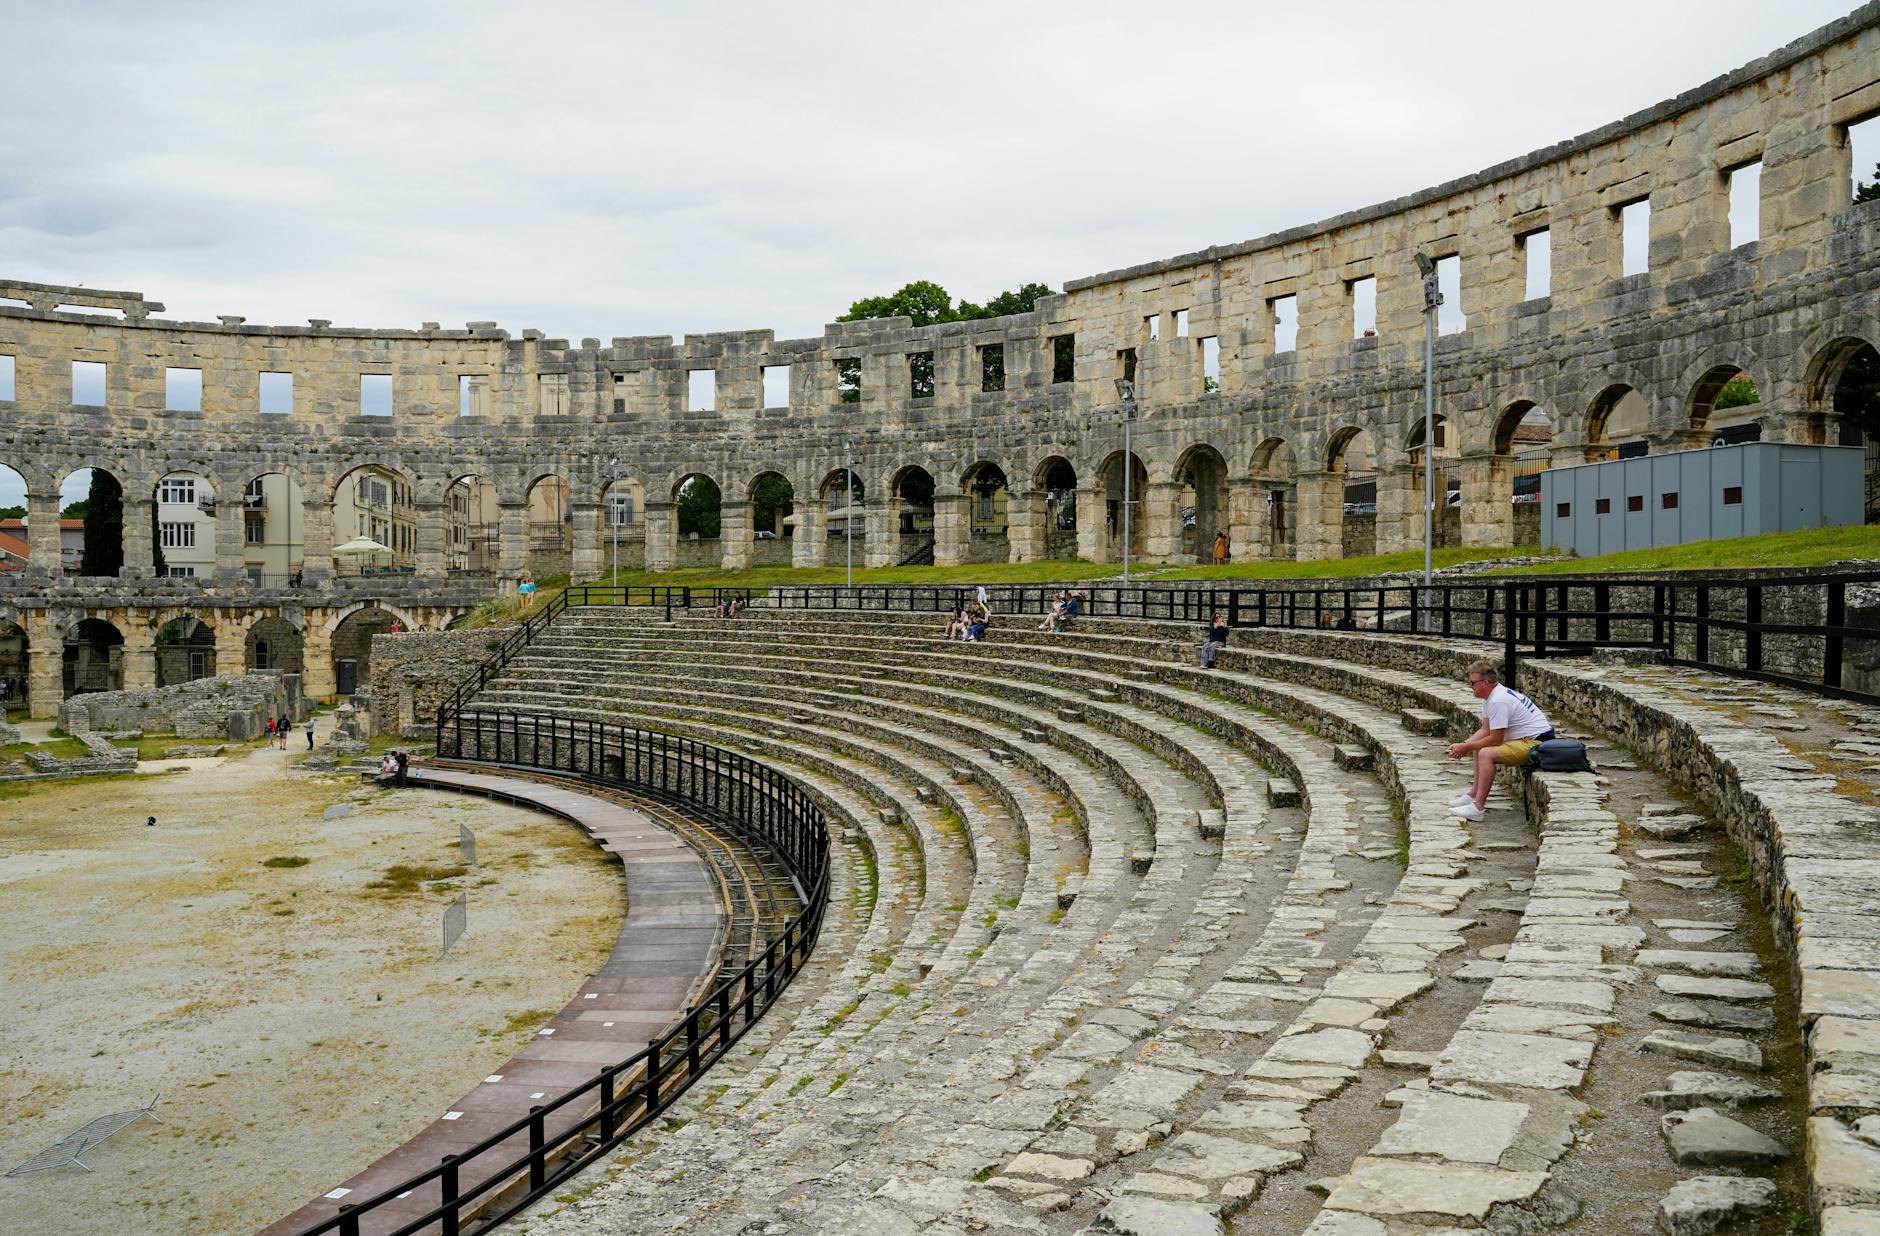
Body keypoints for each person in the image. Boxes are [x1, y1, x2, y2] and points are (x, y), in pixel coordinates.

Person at [1446, 659, 1555, 821]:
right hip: (1525, 739)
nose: (1469, 685)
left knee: (1486, 754)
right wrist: (1465, 745)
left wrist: (1466, 747)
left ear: (1485, 683)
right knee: (1477, 747)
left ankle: (1478, 808)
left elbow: (1495, 740)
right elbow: (1485, 730)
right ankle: (1473, 794)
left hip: (1537, 743)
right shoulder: (1491, 696)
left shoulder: (1498, 701)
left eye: (1472, 682)